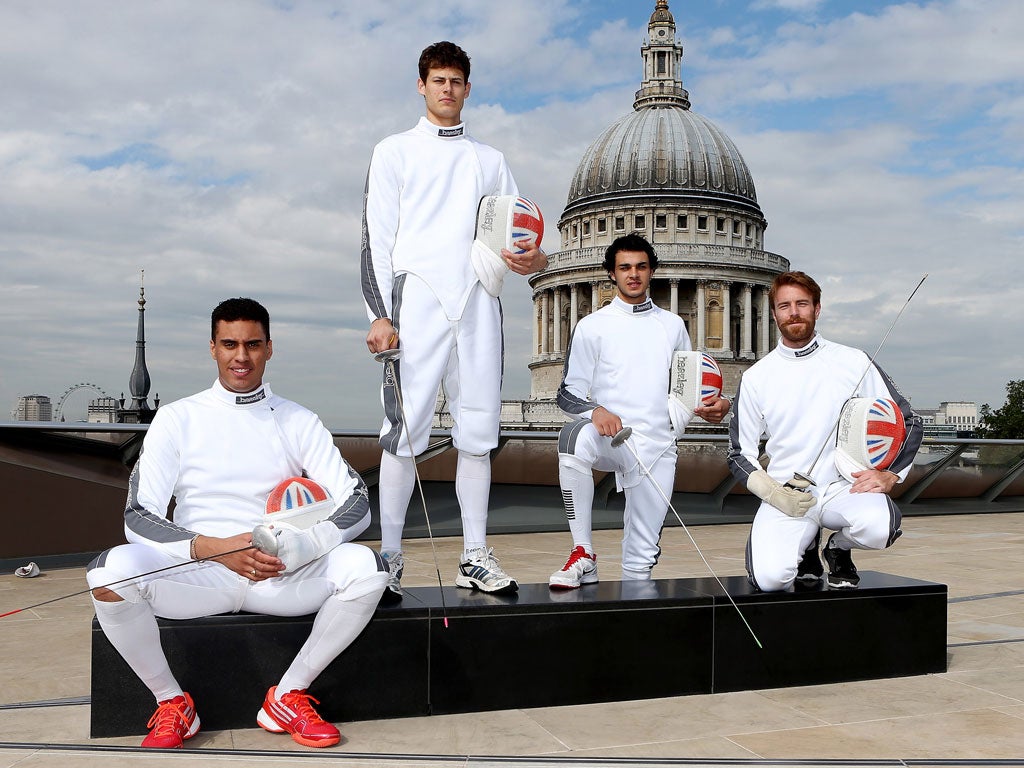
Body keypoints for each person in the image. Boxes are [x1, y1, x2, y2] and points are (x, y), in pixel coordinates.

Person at [87, 298, 387, 749]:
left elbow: (356, 501)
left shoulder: (298, 419)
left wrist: (302, 549)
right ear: (213, 348)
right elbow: (139, 515)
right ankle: (172, 702)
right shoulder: (177, 418)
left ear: (269, 348)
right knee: (108, 573)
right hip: (202, 572)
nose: (241, 356)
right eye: (230, 344)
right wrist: (215, 548)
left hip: (280, 574)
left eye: (252, 344)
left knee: (367, 568)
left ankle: (287, 695)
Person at [361, 41, 547, 600]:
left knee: (477, 432)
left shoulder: (489, 161)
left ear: (468, 88)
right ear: (422, 86)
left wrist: (533, 261)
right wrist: (378, 314)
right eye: (438, 80)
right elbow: (376, 236)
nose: (447, 89)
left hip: (478, 300)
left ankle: (473, 554)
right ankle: (390, 557)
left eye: (456, 81)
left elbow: (520, 233)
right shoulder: (393, 151)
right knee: (403, 433)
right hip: (414, 298)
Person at [549, 234, 731, 588]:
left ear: (651, 272)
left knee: (640, 561)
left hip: (656, 445)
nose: (633, 274)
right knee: (572, 437)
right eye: (625, 267)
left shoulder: (674, 326)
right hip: (609, 437)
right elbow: (567, 393)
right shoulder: (591, 326)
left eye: (641, 267)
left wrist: (714, 406)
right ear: (612, 274)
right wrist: (595, 410)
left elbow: (687, 387)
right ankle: (583, 552)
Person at [727, 271, 923, 591]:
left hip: (843, 486)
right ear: (774, 313)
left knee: (881, 528)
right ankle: (803, 548)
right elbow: (739, 453)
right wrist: (773, 493)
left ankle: (838, 548)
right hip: (790, 489)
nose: (794, 312)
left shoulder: (853, 360)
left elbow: (910, 420)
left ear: (817, 309)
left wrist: (892, 474)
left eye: (802, 304)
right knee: (770, 579)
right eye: (785, 305)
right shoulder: (756, 377)